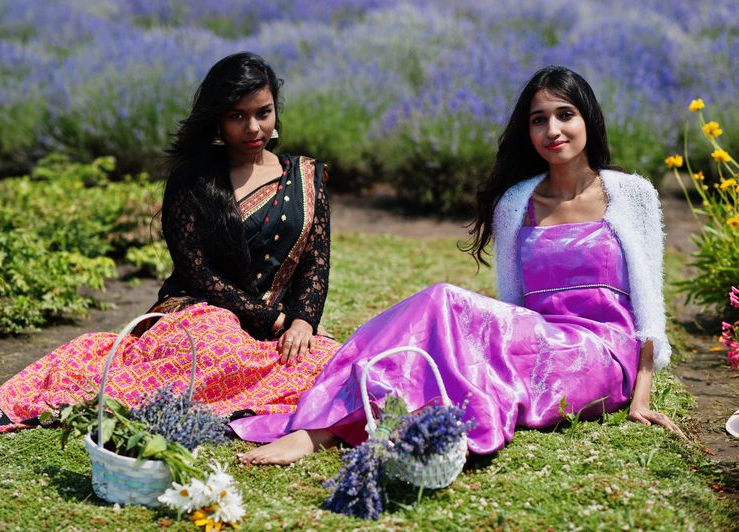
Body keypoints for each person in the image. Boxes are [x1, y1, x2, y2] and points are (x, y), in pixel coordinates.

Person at [235, 65, 684, 465]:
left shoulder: (630, 194)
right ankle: (344, 410)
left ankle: (324, 430)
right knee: (443, 319)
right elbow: (514, 306)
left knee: (444, 301)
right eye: (539, 119)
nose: (553, 130)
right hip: (542, 340)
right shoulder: (516, 203)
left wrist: (641, 397)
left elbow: (649, 306)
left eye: (565, 115)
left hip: (601, 355)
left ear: (588, 118)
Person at [0, 52, 339, 435]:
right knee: (219, 345)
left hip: (275, 325)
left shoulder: (305, 178)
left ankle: (241, 388)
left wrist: (302, 322)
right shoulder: (194, 180)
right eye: (237, 116)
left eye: (263, 113)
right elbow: (197, 273)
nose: (253, 128)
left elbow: (315, 265)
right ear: (218, 120)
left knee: (332, 360)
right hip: (201, 312)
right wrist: (272, 320)